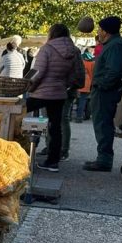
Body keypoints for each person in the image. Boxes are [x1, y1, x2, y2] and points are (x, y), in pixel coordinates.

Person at [28, 23, 85, 172]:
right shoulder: (74, 51)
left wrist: (29, 87)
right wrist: (64, 84)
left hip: (41, 93)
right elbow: (76, 75)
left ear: (52, 33)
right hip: (59, 94)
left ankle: (21, 150)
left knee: (19, 111)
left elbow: (38, 73)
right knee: (56, 127)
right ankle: (53, 162)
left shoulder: (47, 49)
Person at [83, 16, 122, 172]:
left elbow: (114, 71)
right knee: (102, 124)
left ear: (105, 31)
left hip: (105, 92)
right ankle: (102, 158)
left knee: (103, 125)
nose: (98, 32)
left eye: (100, 29)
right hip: (104, 90)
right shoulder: (114, 44)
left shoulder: (115, 46)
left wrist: (101, 85)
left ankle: (104, 160)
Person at [76, 47, 95, 123]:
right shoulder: (92, 62)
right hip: (87, 83)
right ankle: (79, 117)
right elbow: (92, 74)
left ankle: (73, 116)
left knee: (77, 99)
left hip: (78, 81)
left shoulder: (80, 59)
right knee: (83, 100)